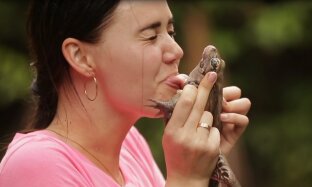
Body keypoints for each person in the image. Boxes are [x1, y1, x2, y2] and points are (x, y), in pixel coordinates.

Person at [0, 0, 251, 186]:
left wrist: (207, 166)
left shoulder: (130, 146)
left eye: (171, 32)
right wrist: (186, 177)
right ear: (81, 57)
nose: (176, 50)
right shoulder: (35, 166)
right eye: (151, 36)